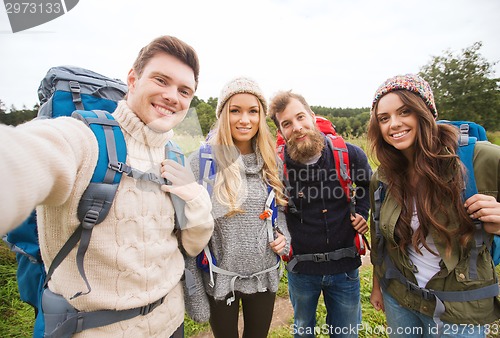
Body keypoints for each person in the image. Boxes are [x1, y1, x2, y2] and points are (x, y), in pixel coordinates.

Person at [0, 35, 214, 337]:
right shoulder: (85, 139)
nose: (172, 96)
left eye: (184, 90)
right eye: (161, 80)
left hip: (170, 323)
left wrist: (195, 197)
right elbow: (26, 157)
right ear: (133, 79)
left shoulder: (174, 155)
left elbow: (191, 244)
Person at [368, 73, 500, 337]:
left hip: (459, 311)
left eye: (404, 111)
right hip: (400, 298)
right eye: (384, 118)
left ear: (425, 112)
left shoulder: (481, 158)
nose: (394, 124)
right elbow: (380, 237)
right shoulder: (383, 177)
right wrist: (377, 285)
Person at [184, 76, 291, 338]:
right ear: (223, 115)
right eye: (235, 110)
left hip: (264, 277)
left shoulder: (271, 162)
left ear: (261, 116)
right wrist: (194, 291)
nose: (245, 119)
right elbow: (186, 232)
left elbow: (280, 215)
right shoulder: (201, 163)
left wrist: (284, 239)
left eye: (253, 111)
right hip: (219, 280)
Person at [268, 90, 372, 338]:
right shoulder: (276, 165)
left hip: (345, 267)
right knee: (303, 331)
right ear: (281, 132)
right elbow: (273, 208)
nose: (297, 127)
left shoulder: (349, 154)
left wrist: (362, 212)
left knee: (346, 333)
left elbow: (368, 185)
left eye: (301, 117)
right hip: (301, 270)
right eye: (287, 124)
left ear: (312, 116)